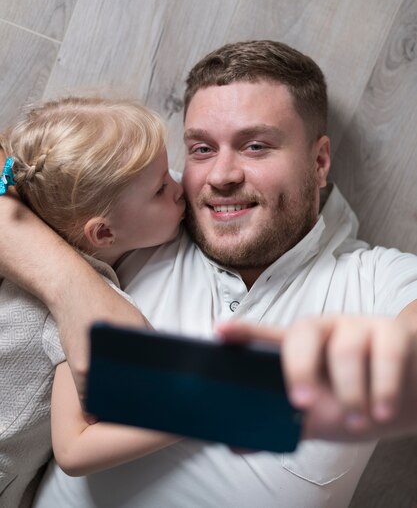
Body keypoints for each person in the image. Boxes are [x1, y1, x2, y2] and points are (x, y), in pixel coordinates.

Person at [1, 40, 417, 508]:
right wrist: (71, 285)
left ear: (319, 162)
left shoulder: (374, 279)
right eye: (200, 148)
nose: (220, 175)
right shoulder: (146, 212)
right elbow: (18, 166)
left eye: (255, 146)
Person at [0, 96, 185, 507]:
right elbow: (75, 448)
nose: (179, 187)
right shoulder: (90, 303)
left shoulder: (15, 253)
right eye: (161, 188)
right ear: (102, 234)